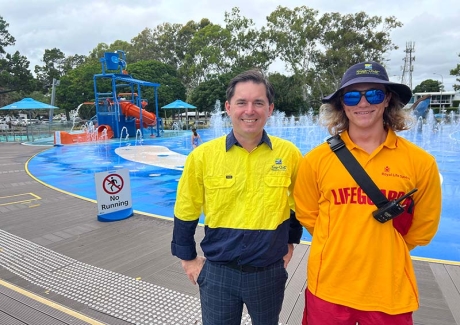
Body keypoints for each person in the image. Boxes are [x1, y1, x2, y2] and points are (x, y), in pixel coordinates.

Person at [293, 61, 442, 325]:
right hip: (329, 285)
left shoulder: (420, 162)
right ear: (342, 104)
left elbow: (424, 227)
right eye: (352, 95)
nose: (362, 103)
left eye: (373, 94)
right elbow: (307, 214)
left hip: (389, 290)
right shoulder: (315, 161)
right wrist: (342, 240)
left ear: (387, 100)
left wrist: (382, 248)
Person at [171, 69, 303, 325]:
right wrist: (188, 259)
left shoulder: (289, 154)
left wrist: (290, 243)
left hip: (268, 272)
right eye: (242, 102)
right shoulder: (203, 156)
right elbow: (186, 208)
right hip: (219, 273)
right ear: (229, 107)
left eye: (258, 103)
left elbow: (297, 203)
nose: (249, 110)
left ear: (270, 108)